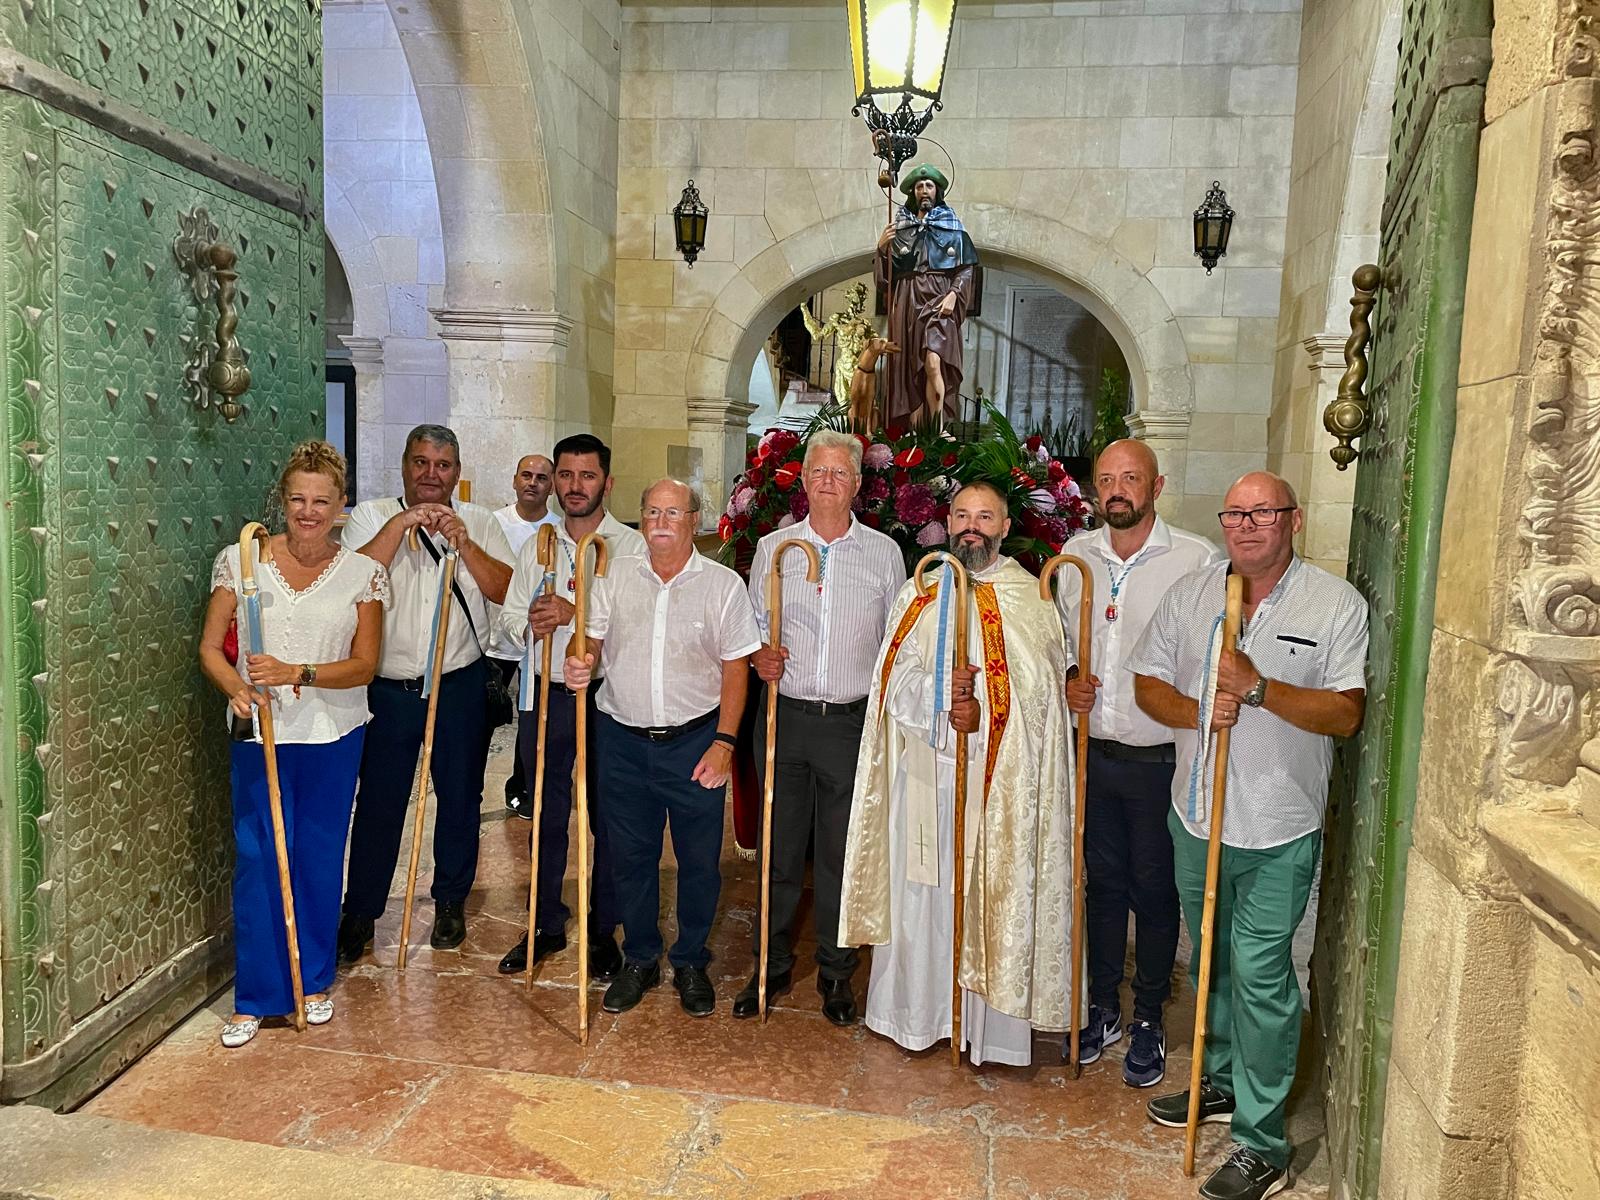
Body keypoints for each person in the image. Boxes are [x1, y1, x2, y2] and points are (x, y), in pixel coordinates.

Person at [1131, 472, 1368, 1200]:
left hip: (1277, 828)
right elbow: (1146, 682)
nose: (1246, 525)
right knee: (1211, 963)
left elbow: (1346, 713)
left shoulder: (1334, 604)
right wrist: (1198, 711)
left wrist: (1258, 688)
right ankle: (1224, 1079)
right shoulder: (1192, 594)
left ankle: (1263, 1141)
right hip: (1197, 816)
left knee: (1263, 977)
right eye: (1235, 513)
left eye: (1263, 513)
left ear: (1293, 520)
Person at [839, 481, 1075, 1065]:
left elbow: (1043, 699)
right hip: (928, 772)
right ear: (947, 522)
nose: (973, 526)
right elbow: (891, 681)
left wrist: (986, 712)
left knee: (990, 896)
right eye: (962, 515)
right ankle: (917, 1017)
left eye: (985, 516)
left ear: (1004, 527)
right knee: (924, 899)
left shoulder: (1031, 596)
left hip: (1000, 787)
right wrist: (942, 698)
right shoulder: (920, 589)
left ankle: (989, 1032)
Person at [198, 441, 389, 1047]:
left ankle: (312, 981)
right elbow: (210, 648)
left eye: (321, 502)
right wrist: (237, 687)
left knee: (317, 856)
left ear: (341, 505)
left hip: (333, 735)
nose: (308, 512)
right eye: (298, 500)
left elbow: (364, 666)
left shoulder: (364, 573)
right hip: (260, 734)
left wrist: (296, 672)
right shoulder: (241, 561)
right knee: (258, 857)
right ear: (282, 501)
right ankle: (256, 997)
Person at [1055, 439, 1221, 1087]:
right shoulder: (1076, 555)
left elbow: (1209, 656)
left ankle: (1149, 1015)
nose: (1117, 490)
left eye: (1130, 478)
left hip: (1159, 760)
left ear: (1157, 486)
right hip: (1093, 753)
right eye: (1106, 479)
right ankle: (1103, 1006)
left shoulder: (1195, 560)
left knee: (1155, 890)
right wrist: (1070, 676)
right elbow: (1060, 642)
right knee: (1101, 885)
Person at [563, 480, 760, 1019]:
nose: (661, 522)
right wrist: (581, 661)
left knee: (698, 863)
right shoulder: (614, 575)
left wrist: (725, 742)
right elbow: (591, 642)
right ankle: (641, 958)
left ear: (694, 520)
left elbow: (736, 668)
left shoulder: (722, 585)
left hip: (696, 742)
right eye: (652, 512)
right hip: (622, 742)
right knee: (630, 859)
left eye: (673, 513)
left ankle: (691, 960)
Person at [736, 430, 906, 1024]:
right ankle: (770, 964)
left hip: (850, 723)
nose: (828, 481)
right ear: (803, 481)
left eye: (840, 472)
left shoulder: (884, 553)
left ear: (858, 484)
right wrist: (760, 656)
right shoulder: (774, 548)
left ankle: (836, 973)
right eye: (818, 471)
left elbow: (897, 641)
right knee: (779, 852)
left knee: (840, 854)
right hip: (785, 717)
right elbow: (753, 627)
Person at [336, 424, 514, 960]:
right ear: (404, 466)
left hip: (457, 683)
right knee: (380, 802)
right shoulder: (372, 516)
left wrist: (464, 542)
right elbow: (350, 580)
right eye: (421, 462)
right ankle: (361, 912)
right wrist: (402, 525)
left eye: (442, 465)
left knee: (460, 798)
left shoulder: (481, 521)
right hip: (388, 689)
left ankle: (451, 901)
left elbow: (505, 589)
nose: (431, 474)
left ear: (456, 472)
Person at [494, 434, 644, 978]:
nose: (574, 486)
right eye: (565, 475)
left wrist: (574, 611)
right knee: (546, 812)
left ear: (607, 482)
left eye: (587, 475)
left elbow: (638, 625)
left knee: (610, 814)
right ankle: (544, 922)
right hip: (547, 693)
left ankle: (603, 930)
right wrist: (530, 623)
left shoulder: (631, 547)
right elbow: (509, 620)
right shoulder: (539, 544)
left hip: (608, 698)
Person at [874, 163, 981, 432]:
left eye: (929, 185)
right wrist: (882, 249)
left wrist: (954, 293)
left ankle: (938, 428)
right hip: (908, 301)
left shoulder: (953, 228)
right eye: (919, 186)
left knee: (934, 361)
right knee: (910, 367)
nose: (924, 190)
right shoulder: (901, 229)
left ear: (937, 191)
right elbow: (885, 279)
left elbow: (966, 269)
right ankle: (913, 428)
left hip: (939, 299)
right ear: (913, 192)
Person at [490, 454, 558, 815]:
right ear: (515, 480)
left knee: (531, 722)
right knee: (483, 720)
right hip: (495, 642)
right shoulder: (494, 523)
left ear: (552, 486)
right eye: (526, 475)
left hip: (539, 644)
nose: (533, 483)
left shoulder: (559, 530)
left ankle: (523, 787)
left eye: (542, 478)